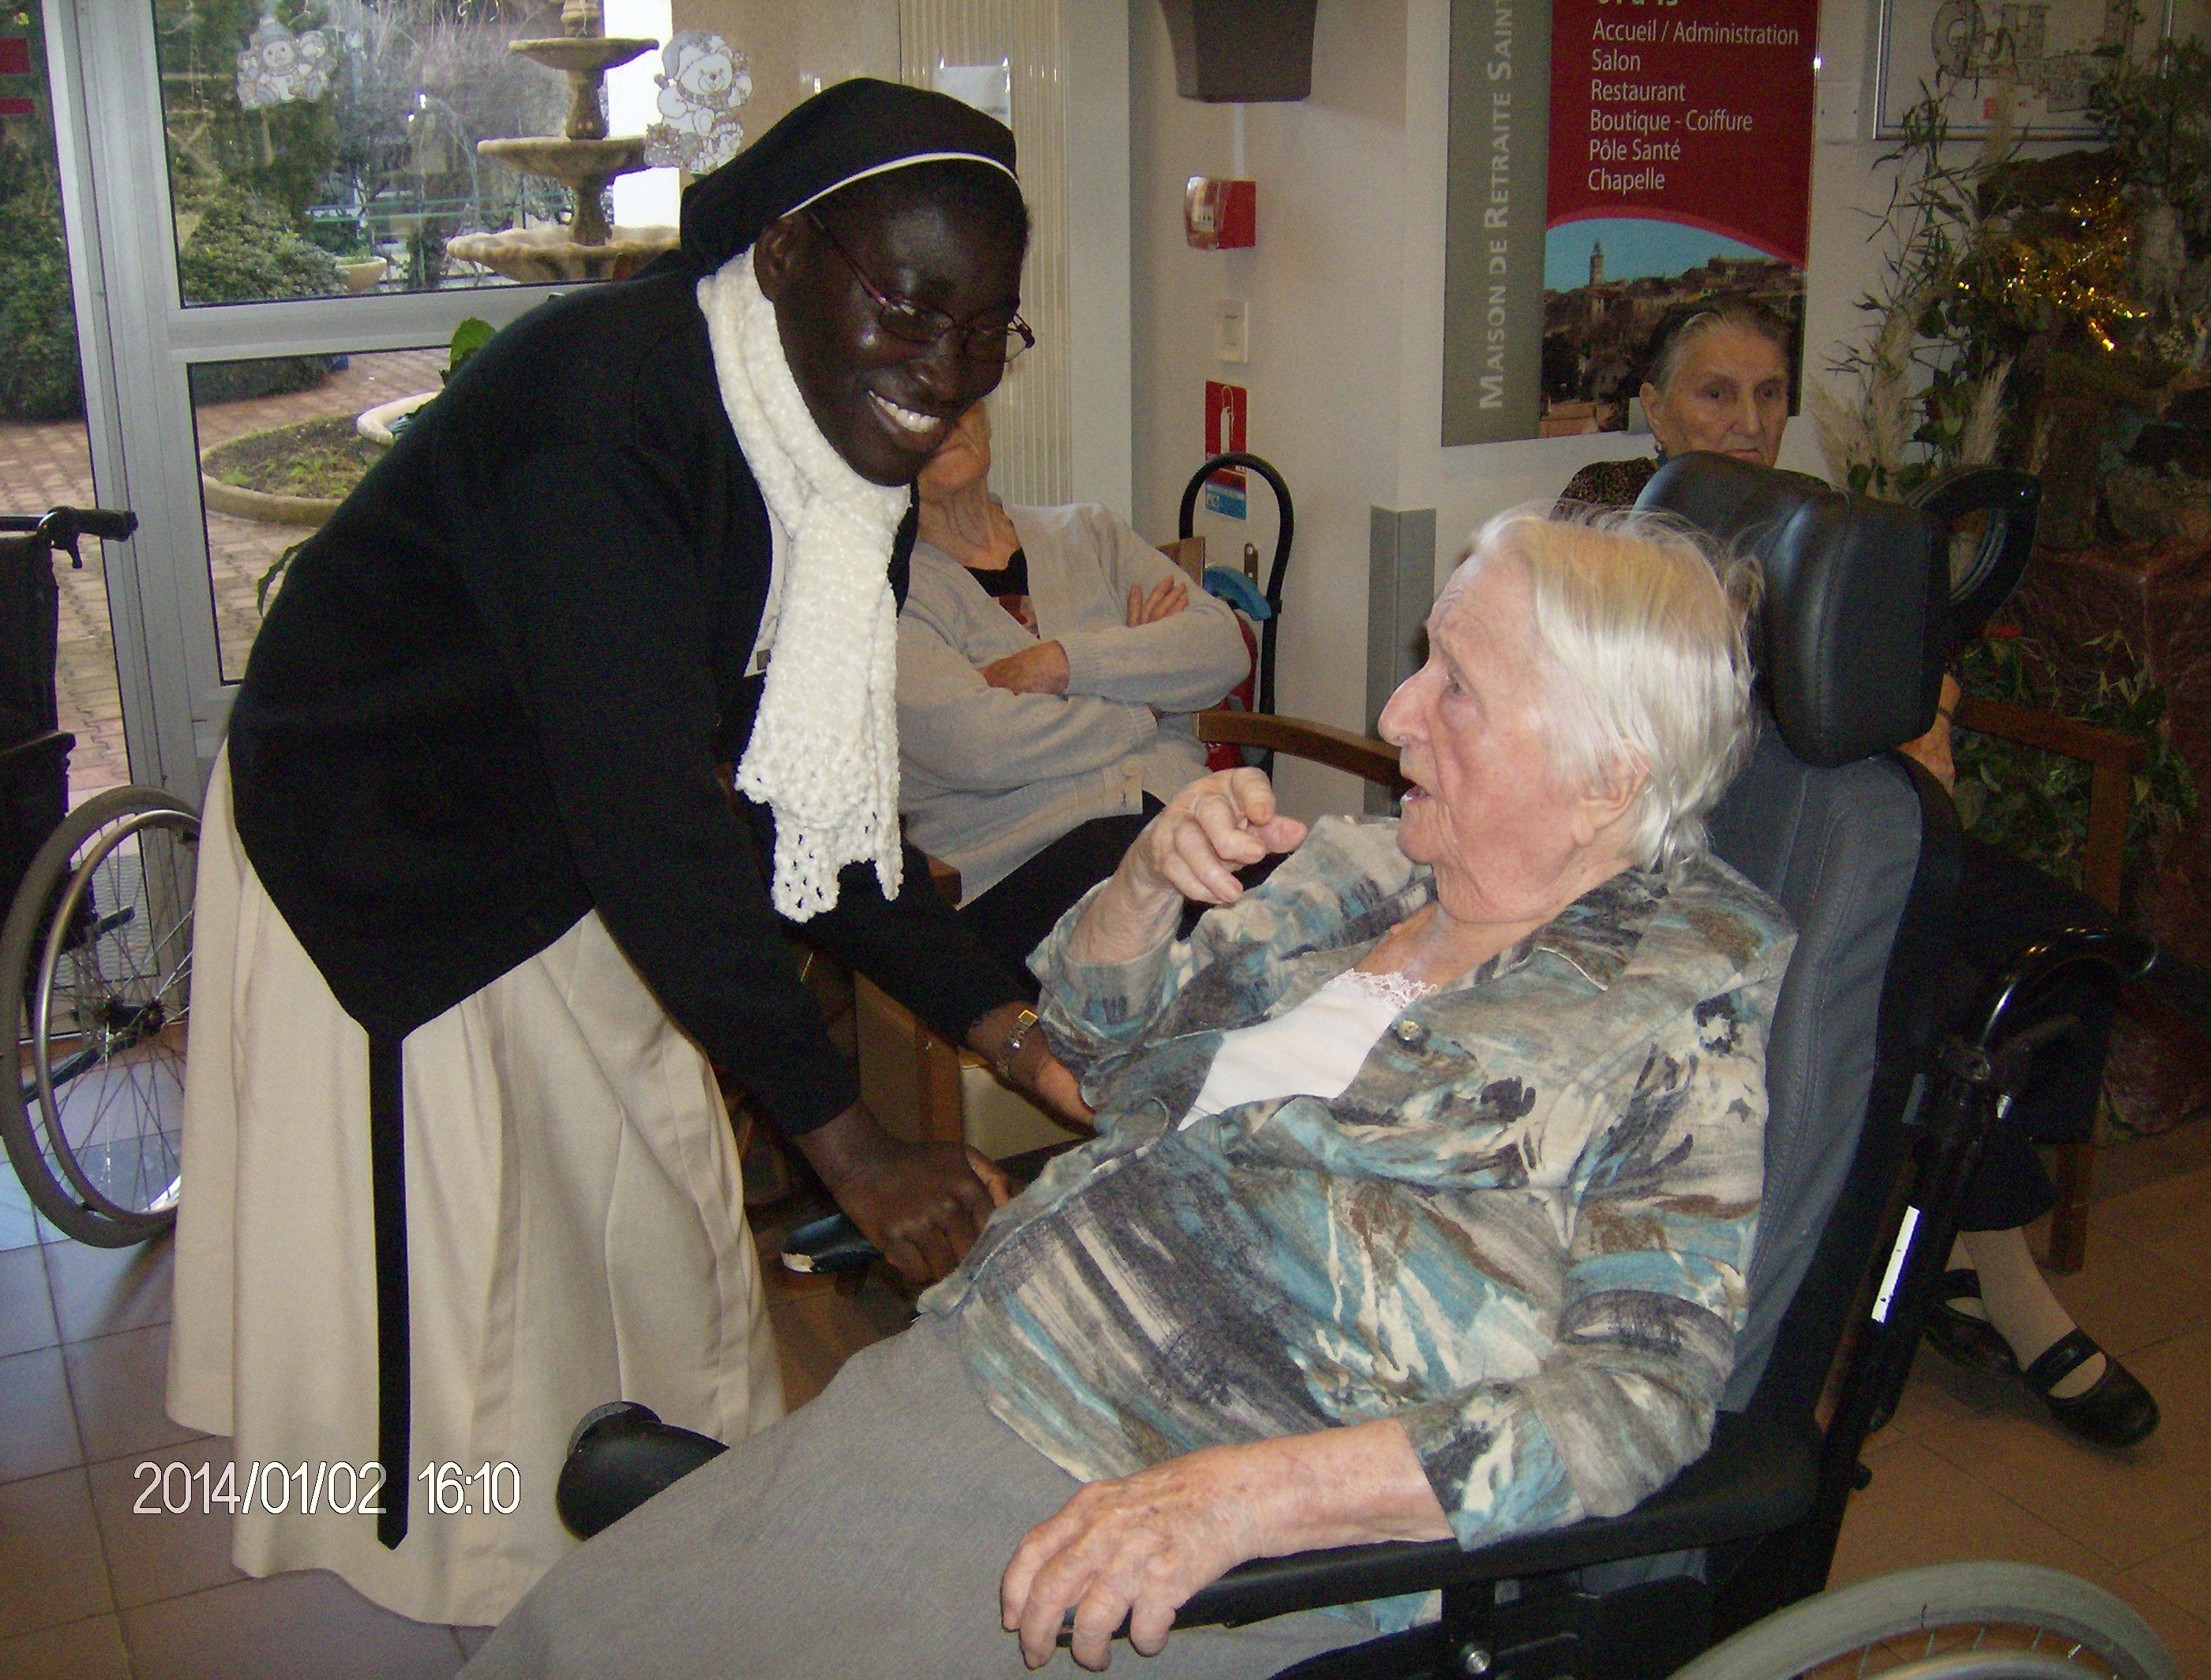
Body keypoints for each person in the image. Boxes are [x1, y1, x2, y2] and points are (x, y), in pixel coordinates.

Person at [460, 506, 1792, 1678]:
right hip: (996, 1354)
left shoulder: (1669, 1017)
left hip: (1191, 1508)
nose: (1394, 717)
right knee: (580, 1634)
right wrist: (1143, 886)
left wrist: (1242, 1501)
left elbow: (1635, 1400)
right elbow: (1099, 1069)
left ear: (1607, 776)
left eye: (1456, 686)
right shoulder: (1363, 875)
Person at [168, 79, 1088, 1627]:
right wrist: (847, 1144)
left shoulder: (835, 457)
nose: (940, 368)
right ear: (789, 251)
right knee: (482, 1332)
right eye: (908, 303)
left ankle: (627, 1596)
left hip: (573, 857)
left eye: (984, 326)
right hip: (397, 861)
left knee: (654, 1254)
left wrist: (1004, 1016)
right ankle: (504, 1620)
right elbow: (653, 810)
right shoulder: (596, 412)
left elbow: (825, 815)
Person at [1559, 298, 2159, 1449]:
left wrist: (1919, 714)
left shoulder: (1818, 524)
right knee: (1935, 1010)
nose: (1746, 421)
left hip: (1863, 827)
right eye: (1714, 394)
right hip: (1713, 845)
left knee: (2066, 957)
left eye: (1769, 395)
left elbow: (1903, 692)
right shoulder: (1611, 510)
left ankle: (1957, 1260)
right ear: (1655, 406)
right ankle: (2004, 1290)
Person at [899, 402, 1251, 980]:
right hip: (1023, 870)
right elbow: (984, 746)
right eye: (917, 409)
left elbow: (1221, 647)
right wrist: (1148, 688)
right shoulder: (891, 589)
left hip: (1177, 818)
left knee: (1319, 917)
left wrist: (1062, 663)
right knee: (1234, 970)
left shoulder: (1087, 532)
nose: (944, 417)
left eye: (960, 397)